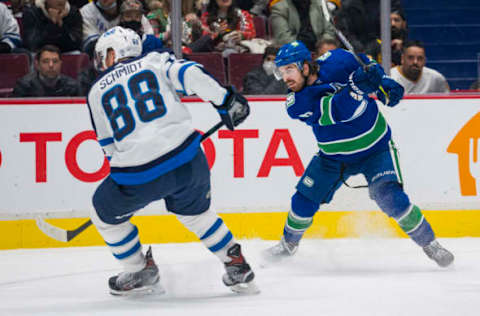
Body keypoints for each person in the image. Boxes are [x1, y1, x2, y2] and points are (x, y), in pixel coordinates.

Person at [87, 26, 257, 296]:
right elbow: (190, 74)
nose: (101, 63)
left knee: (103, 213)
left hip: (138, 175)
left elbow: (108, 146)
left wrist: (124, 176)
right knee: (197, 215)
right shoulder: (154, 60)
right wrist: (224, 101)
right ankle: (235, 262)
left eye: (102, 56)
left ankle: (137, 269)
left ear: (112, 53)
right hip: (188, 160)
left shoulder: (96, 91)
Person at [264, 41, 454, 268]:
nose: (285, 77)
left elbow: (365, 61)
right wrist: (356, 89)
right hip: (332, 158)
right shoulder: (296, 102)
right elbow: (338, 112)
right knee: (303, 199)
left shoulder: (338, 59)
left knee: (391, 197)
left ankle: (430, 243)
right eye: (281, 71)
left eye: (288, 69)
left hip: (376, 149)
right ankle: (288, 244)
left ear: (305, 66)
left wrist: (382, 82)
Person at [80, 0, 153, 56]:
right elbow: (90, 47)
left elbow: (149, 35)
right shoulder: (86, 11)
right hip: (104, 58)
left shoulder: (129, 6)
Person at [13, 44, 80, 97]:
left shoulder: (72, 87)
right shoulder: (24, 86)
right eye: (45, 61)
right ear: (37, 65)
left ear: (60, 64)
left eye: (55, 61)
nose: (51, 65)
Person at [270, 0, 336, 51]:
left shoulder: (320, 4)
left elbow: (329, 30)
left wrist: (323, 47)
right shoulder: (279, 7)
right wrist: (302, 51)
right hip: (294, 51)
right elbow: (283, 38)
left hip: (320, 49)